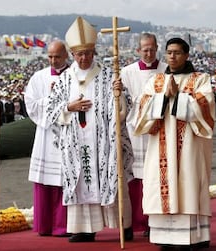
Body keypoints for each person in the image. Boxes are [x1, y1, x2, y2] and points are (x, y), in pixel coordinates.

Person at [46, 16, 134, 243]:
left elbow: (124, 109)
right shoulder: (65, 79)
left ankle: (123, 225)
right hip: (76, 141)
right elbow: (51, 110)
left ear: (94, 52)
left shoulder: (107, 75)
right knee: (80, 178)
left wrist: (119, 94)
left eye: (88, 53)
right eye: (79, 54)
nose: (84, 58)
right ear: (72, 55)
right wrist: (69, 106)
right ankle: (84, 228)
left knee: (111, 175)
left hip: (104, 141)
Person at [134, 37, 215, 250]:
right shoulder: (156, 81)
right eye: (169, 52)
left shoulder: (200, 79)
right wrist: (162, 97)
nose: (172, 56)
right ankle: (164, 237)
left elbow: (205, 105)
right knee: (162, 185)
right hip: (160, 145)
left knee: (188, 182)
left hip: (189, 146)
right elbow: (142, 108)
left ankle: (192, 237)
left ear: (186, 55)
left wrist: (177, 96)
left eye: (177, 52)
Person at [120, 32, 167, 236]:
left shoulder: (166, 70)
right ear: (137, 50)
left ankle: (153, 221)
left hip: (158, 129)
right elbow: (122, 101)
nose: (148, 53)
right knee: (134, 176)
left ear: (157, 48)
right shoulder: (127, 72)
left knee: (156, 176)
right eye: (144, 49)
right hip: (134, 130)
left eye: (152, 49)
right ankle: (133, 221)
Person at [24, 40, 70, 237]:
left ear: (66, 55)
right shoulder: (39, 77)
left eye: (57, 56)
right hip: (46, 133)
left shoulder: (75, 75)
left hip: (69, 133)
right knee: (45, 180)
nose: (53, 60)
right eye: (50, 57)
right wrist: (52, 100)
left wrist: (63, 105)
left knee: (65, 179)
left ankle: (64, 225)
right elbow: (31, 106)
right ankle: (44, 225)